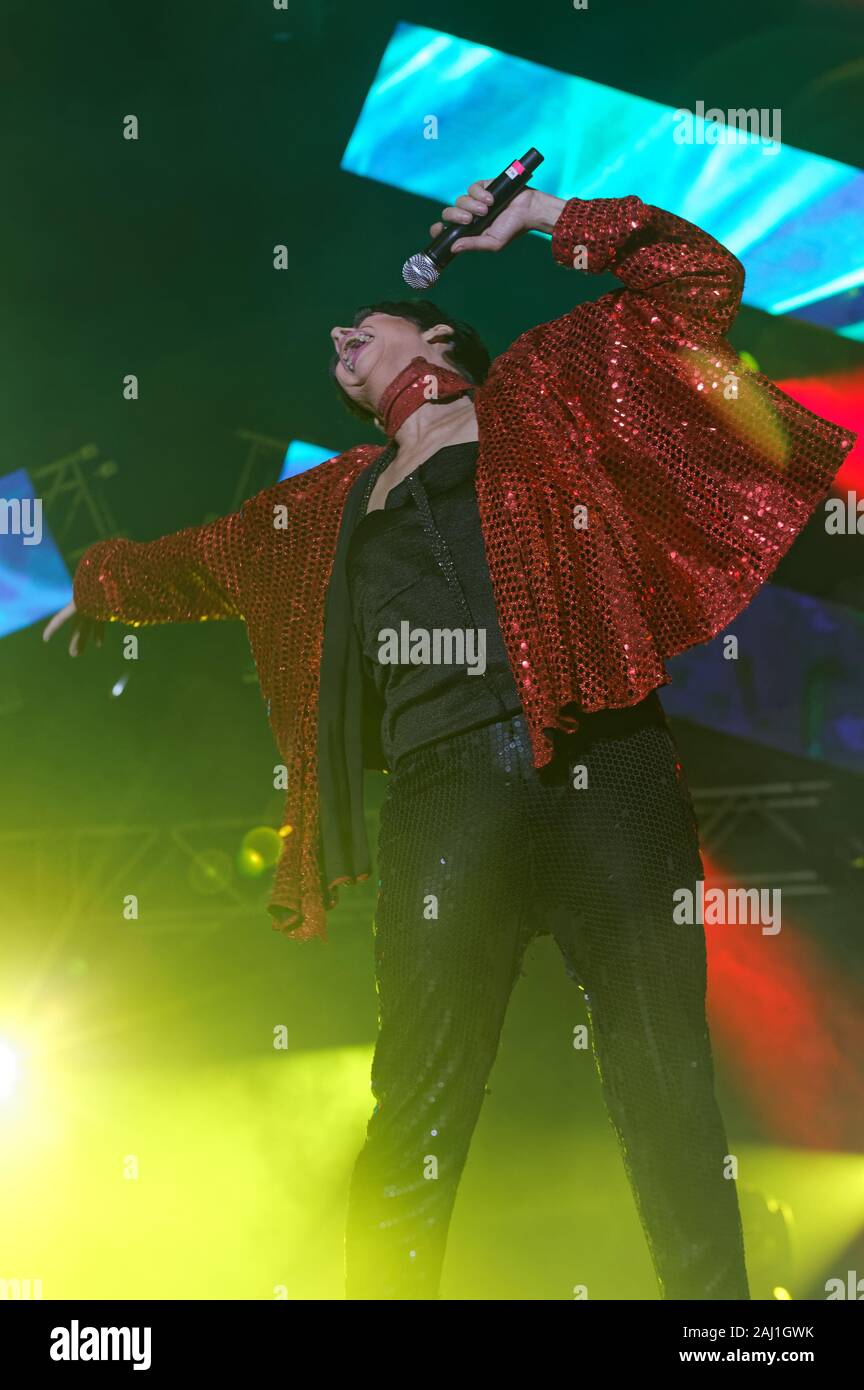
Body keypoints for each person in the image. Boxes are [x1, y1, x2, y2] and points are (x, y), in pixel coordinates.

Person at [44, 178, 855, 1300]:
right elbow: (186, 563)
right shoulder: (323, 503)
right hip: (440, 797)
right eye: (332, 349)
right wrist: (97, 586)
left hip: (601, 759)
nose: (336, 341)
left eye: (357, 326)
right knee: (419, 1101)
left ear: (435, 333)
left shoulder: (550, 391)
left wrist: (535, 222)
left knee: (665, 1081)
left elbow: (696, 280)